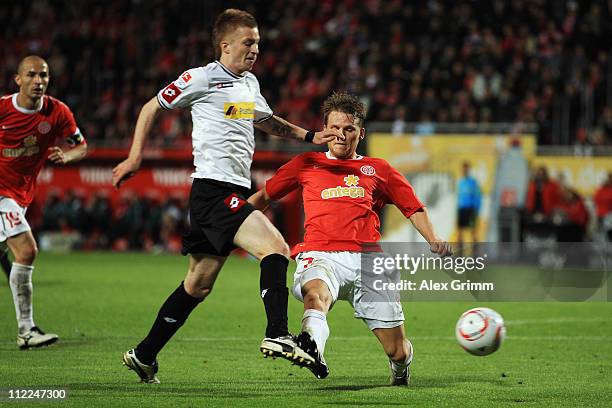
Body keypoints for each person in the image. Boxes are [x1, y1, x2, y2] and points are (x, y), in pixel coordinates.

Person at [112, 9, 341, 384]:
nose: (255, 49)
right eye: (248, 42)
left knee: (198, 284)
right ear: (226, 45)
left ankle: (144, 354)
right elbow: (151, 106)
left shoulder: (249, 84)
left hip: (231, 189)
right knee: (277, 248)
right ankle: (278, 333)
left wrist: (309, 136)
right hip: (212, 190)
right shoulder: (201, 78)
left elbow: (267, 120)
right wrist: (135, 156)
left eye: (258, 43)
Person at [248, 92, 451, 385]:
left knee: (396, 350)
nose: (341, 136)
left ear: (360, 132)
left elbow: (413, 207)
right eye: (335, 129)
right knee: (314, 294)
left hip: (369, 261)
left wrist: (433, 238)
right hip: (321, 254)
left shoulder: (379, 170)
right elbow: (265, 196)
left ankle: (402, 364)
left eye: (349, 129)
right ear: (325, 130)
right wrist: (232, 221)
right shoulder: (306, 164)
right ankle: (312, 347)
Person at [0, 55, 88, 349]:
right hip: (2, 194)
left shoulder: (57, 111)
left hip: (21, 194)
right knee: (26, 251)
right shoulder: (3, 109)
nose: (38, 81)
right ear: (18, 79)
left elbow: (81, 146)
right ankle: (26, 331)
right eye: (31, 75)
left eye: (43, 76)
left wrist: (67, 155)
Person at [456, 161, 481, 248]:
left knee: (473, 231)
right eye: (463, 169)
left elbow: (477, 196)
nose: (464, 171)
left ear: (469, 170)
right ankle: (459, 252)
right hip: (461, 209)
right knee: (459, 231)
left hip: (470, 209)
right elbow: (459, 196)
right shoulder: (460, 182)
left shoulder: (473, 182)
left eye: (466, 169)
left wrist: (476, 209)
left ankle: (476, 252)